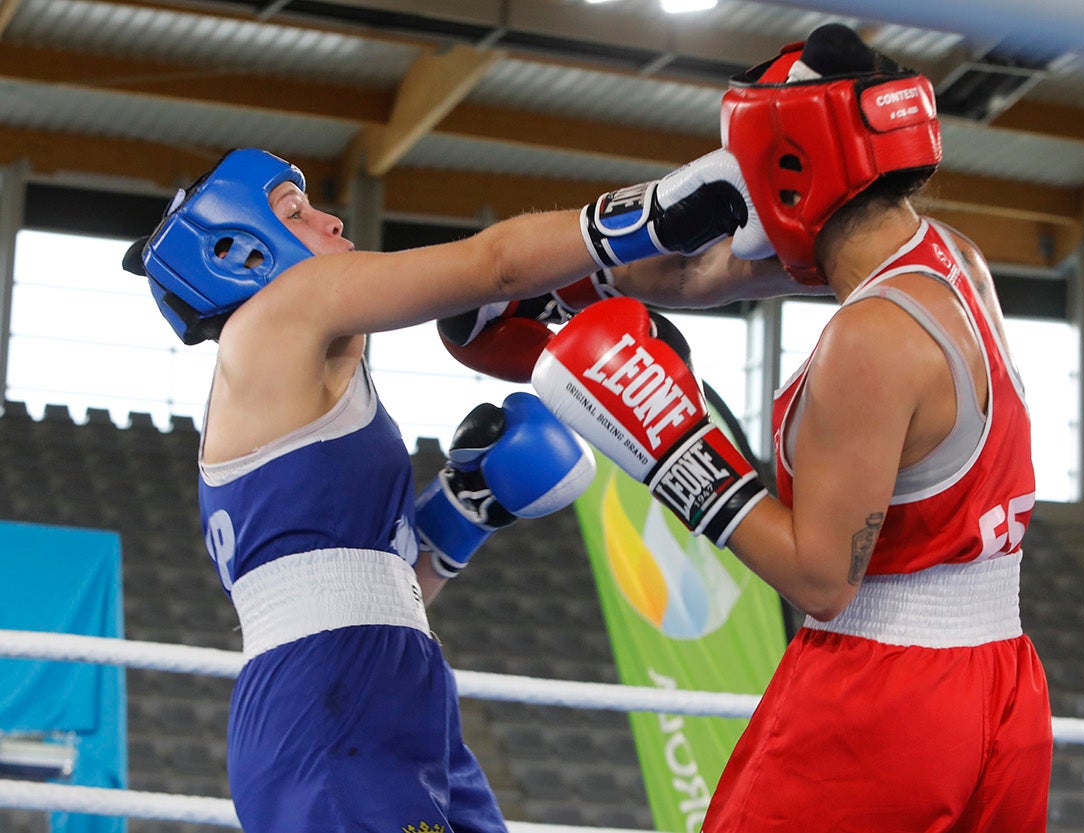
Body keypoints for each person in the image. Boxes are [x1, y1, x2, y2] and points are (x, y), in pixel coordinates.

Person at [119, 145, 775, 833]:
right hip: (331, 699)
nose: (332, 220)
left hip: (377, 682)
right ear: (240, 252)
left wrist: (466, 509)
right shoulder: (279, 313)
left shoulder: (288, 378)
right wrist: (661, 211)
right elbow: (492, 264)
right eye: (295, 211)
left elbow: (362, 589)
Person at [532, 23, 1051, 832]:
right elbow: (697, 275)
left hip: (883, 690)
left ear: (788, 170)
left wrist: (676, 451)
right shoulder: (948, 256)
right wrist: (632, 232)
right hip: (1001, 684)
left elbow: (821, 580)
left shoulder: (871, 338)